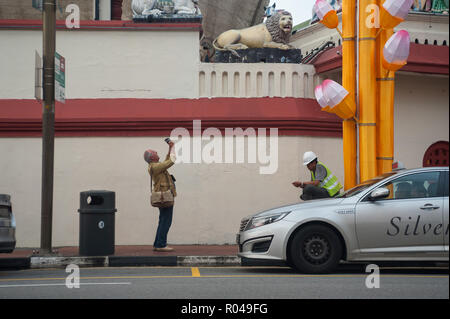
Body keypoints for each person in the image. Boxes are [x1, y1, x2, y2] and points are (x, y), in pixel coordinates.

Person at [144, 140, 177, 252]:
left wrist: (170, 148)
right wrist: (173, 148)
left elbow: (167, 161)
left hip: (165, 195)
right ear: (152, 157)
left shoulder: (156, 166)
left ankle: (158, 243)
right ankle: (161, 244)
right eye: (156, 153)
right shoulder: (155, 167)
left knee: (163, 220)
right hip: (165, 196)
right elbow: (171, 161)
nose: (158, 154)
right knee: (166, 221)